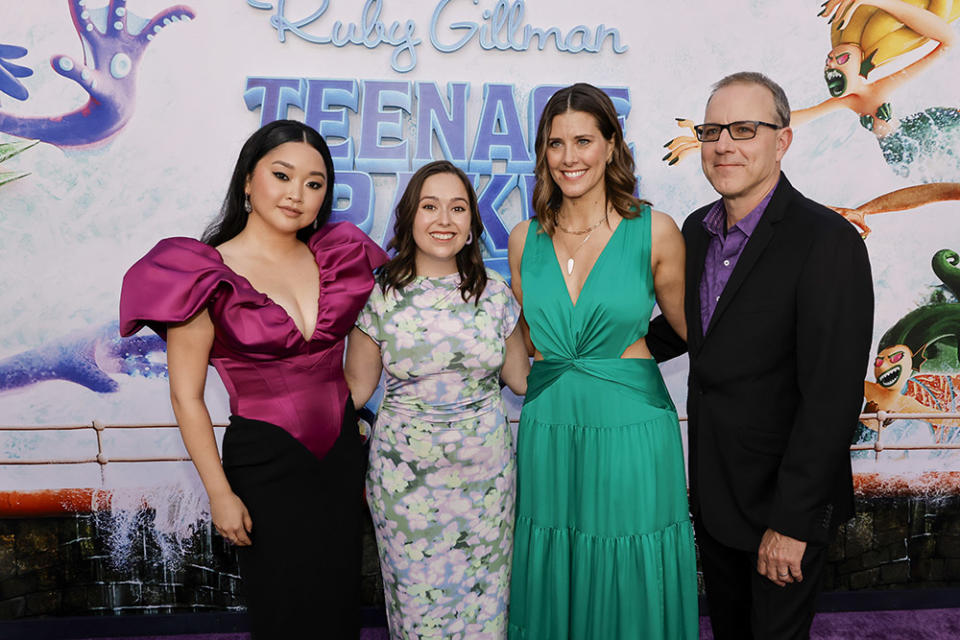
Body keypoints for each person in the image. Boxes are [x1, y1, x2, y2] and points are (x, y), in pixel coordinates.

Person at [119, 120, 388, 639]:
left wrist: (340, 407)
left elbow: (364, 354)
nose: (297, 194)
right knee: (281, 610)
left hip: (338, 458)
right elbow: (187, 396)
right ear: (248, 180)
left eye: (314, 184)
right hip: (263, 461)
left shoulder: (338, 254)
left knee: (337, 608)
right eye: (282, 175)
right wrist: (219, 493)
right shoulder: (202, 272)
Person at [647, 72, 875, 639]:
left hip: (783, 507)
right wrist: (585, 352)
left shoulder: (828, 241)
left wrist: (792, 524)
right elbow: (685, 332)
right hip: (718, 495)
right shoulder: (695, 233)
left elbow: (832, 398)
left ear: (783, 140)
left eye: (745, 129)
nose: (724, 144)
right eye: (711, 130)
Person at [506, 83, 697, 639]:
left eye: (584, 140)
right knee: (555, 551)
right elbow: (522, 337)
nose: (570, 158)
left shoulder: (654, 230)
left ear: (612, 145)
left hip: (629, 427)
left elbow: (695, 332)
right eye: (556, 143)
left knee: (626, 560)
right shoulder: (524, 240)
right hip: (549, 426)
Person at [344, 160, 529, 639]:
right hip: (406, 487)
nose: (444, 219)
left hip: (486, 483)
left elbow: (522, 380)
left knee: (486, 608)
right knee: (416, 612)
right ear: (409, 218)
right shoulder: (379, 294)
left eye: (457, 208)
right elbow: (355, 390)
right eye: (430, 206)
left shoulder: (495, 296)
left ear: (471, 226)